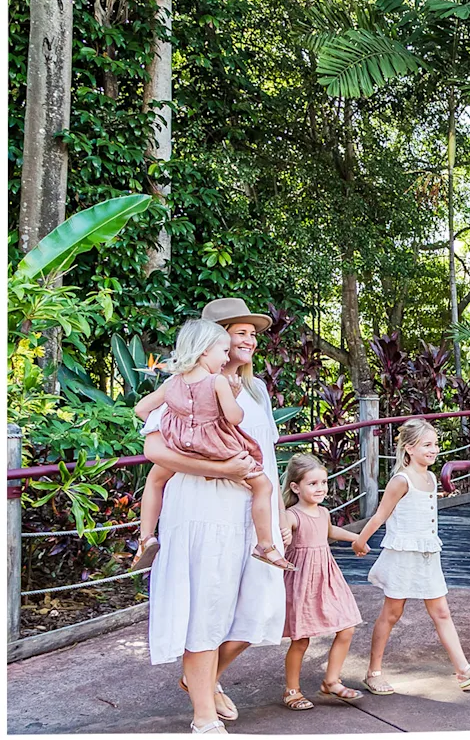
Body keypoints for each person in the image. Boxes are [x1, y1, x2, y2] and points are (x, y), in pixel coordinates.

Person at [142, 298, 289, 735]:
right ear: (215, 338)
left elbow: (270, 461)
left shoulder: (256, 390)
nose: (248, 341)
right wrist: (222, 469)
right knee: (204, 609)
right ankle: (204, 715)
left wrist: (281, 512)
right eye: (239, 332)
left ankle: (203, 678)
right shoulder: (186, 384)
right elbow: (154, 452)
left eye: (253, 334)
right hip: (204, 509)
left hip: (253, 513)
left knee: (261, 609)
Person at [132, 319, 292, 572]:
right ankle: (265, 544)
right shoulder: (217, 381)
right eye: (224, 351)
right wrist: (234, 397)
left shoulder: (173, 383)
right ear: (206, 350)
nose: (226, 357)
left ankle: (146, 538)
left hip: (182, 447)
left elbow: (141, 409)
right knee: (263, 485)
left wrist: (175, 425)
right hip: (215, 448)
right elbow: (234, 418)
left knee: (154, 481)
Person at [352, 418, 470, 693]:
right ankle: (374, 672)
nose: (434, 450)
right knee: (392, 613)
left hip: (428, 553)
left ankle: (463, 669)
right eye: (426, 445)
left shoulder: (431, 477)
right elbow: (381, 515)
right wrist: (360, 541)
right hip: (403, 554)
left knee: (441, 611)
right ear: (409, 448)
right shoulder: (401, 480)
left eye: (436, 444)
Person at [278, 453, 364, 711]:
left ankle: (331, 681)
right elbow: (278, 532)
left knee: (347, 626)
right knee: (301, 638)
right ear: (295, 487)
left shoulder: (324, 512)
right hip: (302, 580)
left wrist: (355, 538)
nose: (320, 488)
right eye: (312, 484)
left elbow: (330, 532)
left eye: (323, 483)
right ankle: (292, 690)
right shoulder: (292, 516)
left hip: (326, 577)